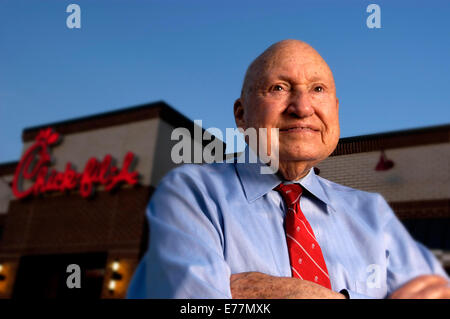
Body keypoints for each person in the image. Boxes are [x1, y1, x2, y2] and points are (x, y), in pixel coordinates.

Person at [127, 39, 450, 299]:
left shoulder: (373, 213)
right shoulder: (191, 193)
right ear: (241, 115)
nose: (303, 108)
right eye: (279, 88)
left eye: (318, 89)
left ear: (335, 110)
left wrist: (308, 295)